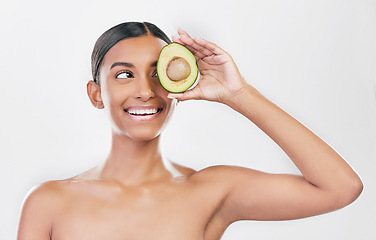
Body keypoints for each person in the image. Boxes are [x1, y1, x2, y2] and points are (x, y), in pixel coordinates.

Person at [17, 22, 363, 240]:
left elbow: (340, 188)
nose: (144, 90)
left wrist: (239, 95)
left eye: (158, 73)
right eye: (124, 75)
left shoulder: (213, 191)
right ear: (96, 94)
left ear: (177, 85)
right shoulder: (48, 202)